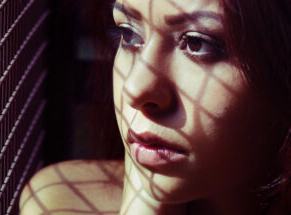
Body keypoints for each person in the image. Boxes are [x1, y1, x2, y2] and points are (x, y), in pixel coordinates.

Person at [19, 0, 291, 214]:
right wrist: (143, 203)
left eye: (197, 43)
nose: (135, 88)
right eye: (128, 34)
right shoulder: (65, 199)